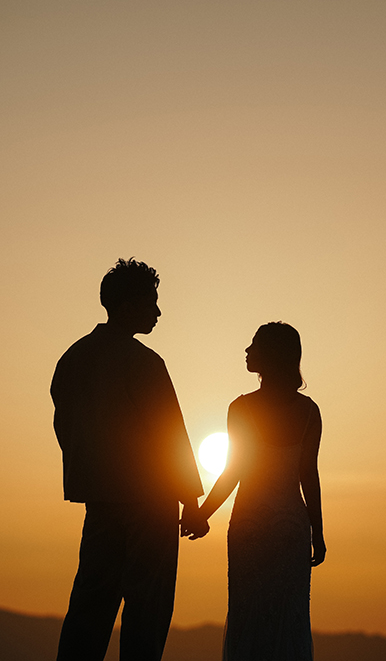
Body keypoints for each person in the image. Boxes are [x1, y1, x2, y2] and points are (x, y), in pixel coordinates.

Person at [51, 258, 204, 661]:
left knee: (89, 607)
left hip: (101, 502)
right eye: (151, 302)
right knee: (147, 611)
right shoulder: (144, 362)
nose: (158, 312)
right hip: (150, 502)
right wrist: (191, 502)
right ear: (128, 305)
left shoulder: (72, 360)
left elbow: (65, 429)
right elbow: (170, 436)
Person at [183, 321, 325, 661]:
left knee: (248, 613)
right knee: (289, 616)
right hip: (292, 528)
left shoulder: (242, 408)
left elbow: (234, 471)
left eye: (254, 345)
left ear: (271, 355)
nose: (247, 351)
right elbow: (308, 476)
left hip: (251, 526)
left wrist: (201, 514)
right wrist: (317, 533)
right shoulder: (309, 411)